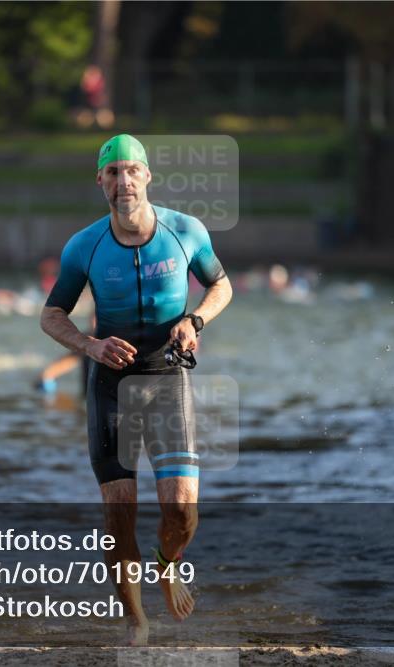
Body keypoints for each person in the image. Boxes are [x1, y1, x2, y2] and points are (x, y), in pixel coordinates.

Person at [40, 134, 232, 645]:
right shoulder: (85, 246)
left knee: (182, 512)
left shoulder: (185, 231)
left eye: (131, 171)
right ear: (100, 182)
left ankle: (168, 564)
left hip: (168, 378)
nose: (122, 181)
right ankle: (136, 622)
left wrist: (195, 320)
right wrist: (90, 345)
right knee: (119, 514)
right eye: (112, 173)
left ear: (147, 176)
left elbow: (221, 285)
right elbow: (51, 315)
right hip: (110, 385)